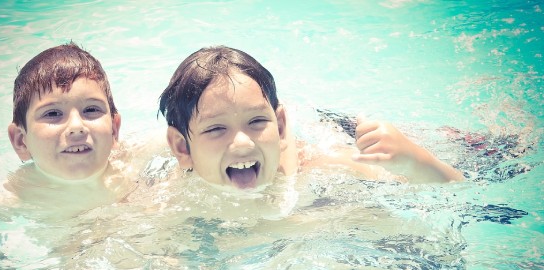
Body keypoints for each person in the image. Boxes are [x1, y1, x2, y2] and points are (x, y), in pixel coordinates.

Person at [157, 45, 464, 191]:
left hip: (347, 138)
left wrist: (415, 161)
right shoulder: (167, 194)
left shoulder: (323, 169)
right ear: (182, 148)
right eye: (216, 128)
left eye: (256, 122)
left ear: (279, 126)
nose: (241, 142)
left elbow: (456, 187)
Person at [0, 42, 134, 212]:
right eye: (53, 113)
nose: (77, 126)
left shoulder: (133, 164)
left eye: (91, 109)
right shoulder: (14, 195)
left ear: (114, 129)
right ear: (21, 141)